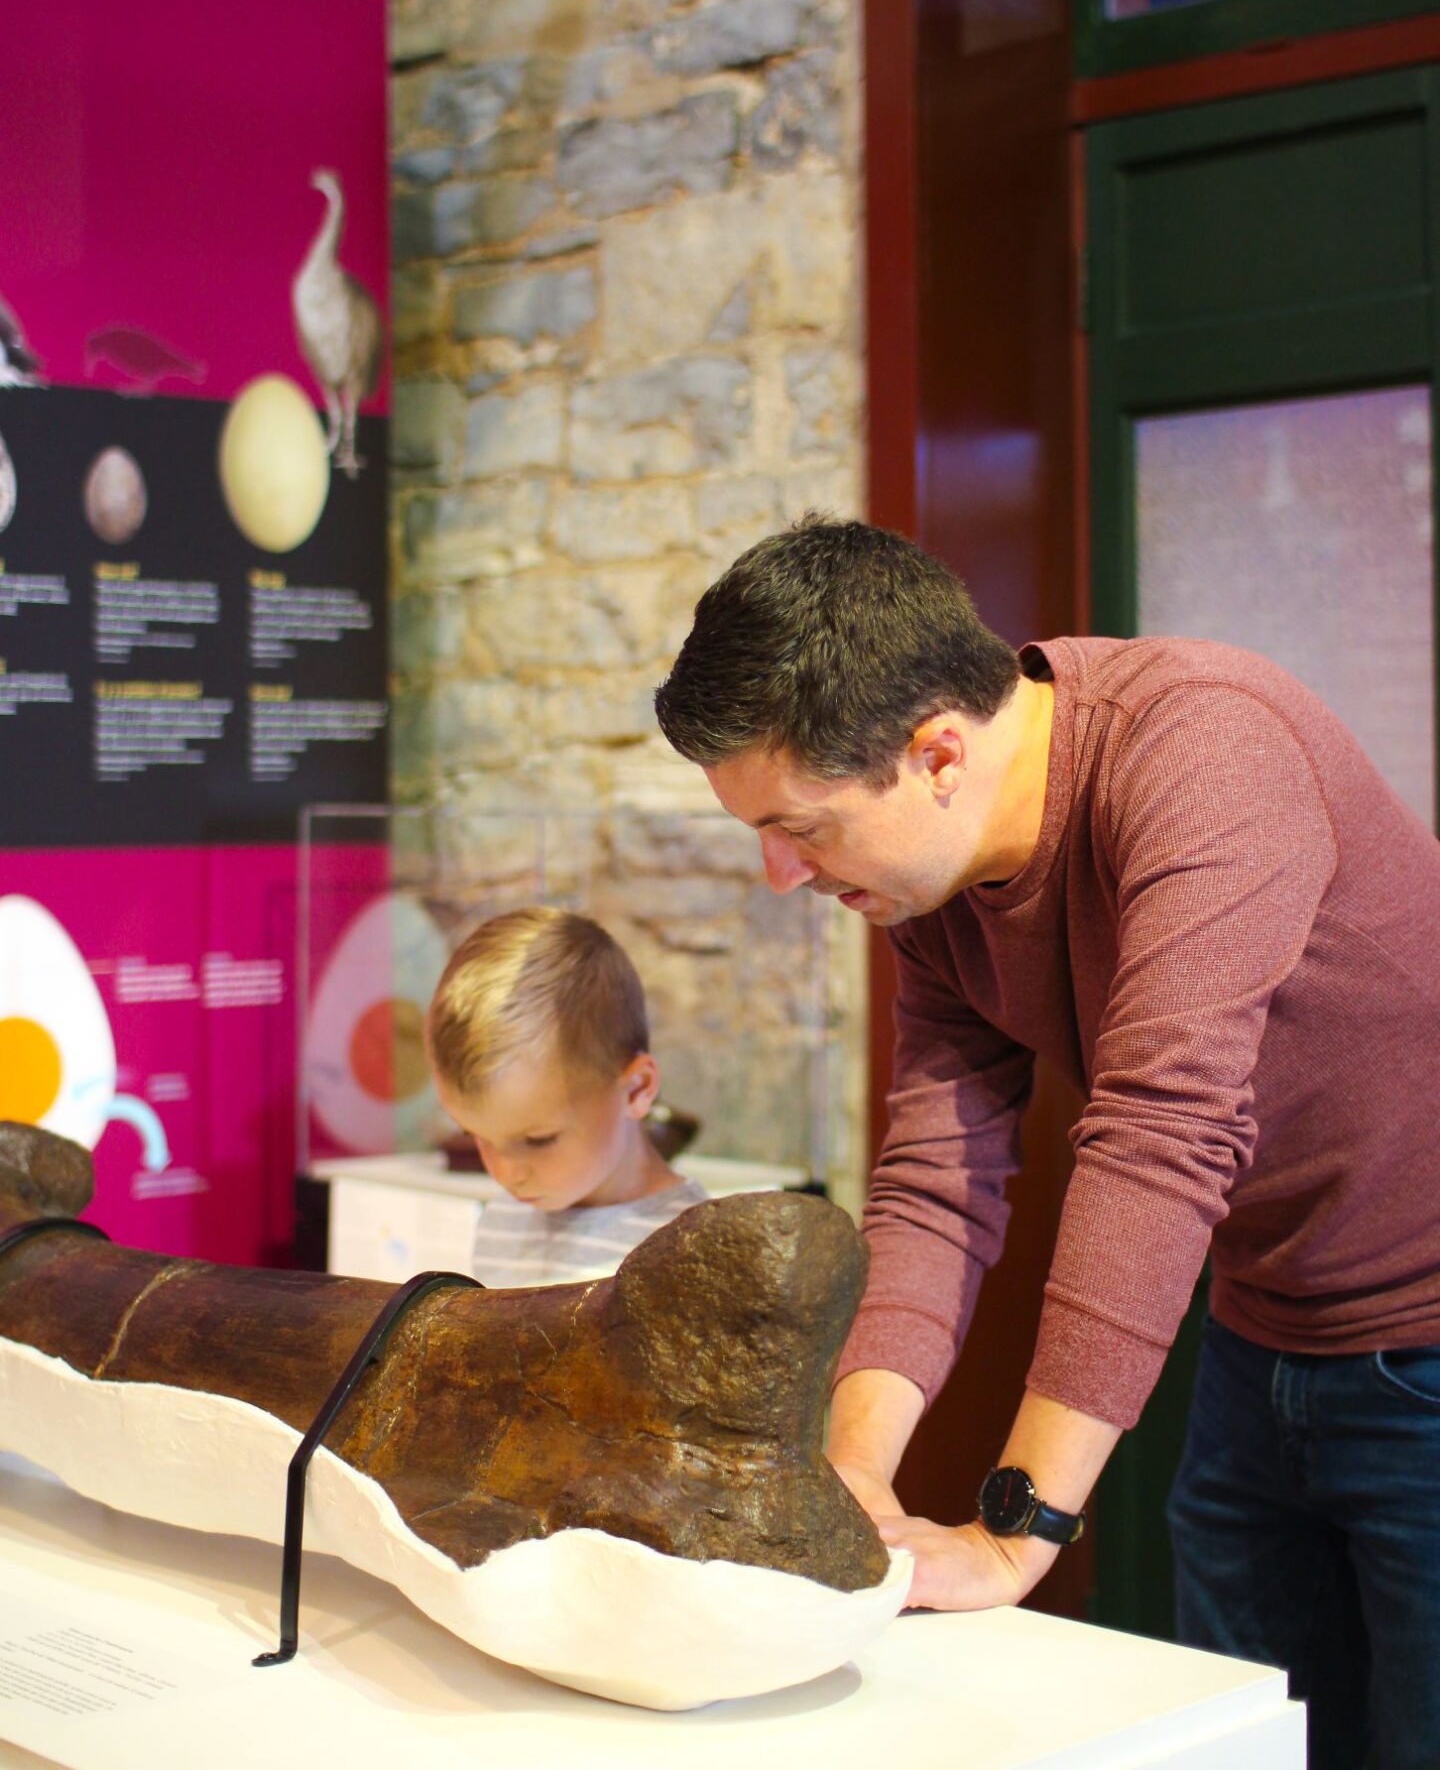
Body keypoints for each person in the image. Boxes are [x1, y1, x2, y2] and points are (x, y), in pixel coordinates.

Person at [653, 514, 1440, 1770]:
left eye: (801, 826)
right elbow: (936, 1182)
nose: (780, 874)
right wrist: (849, 1480)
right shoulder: (930, 887)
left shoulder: (1207, 749)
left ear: (937, 753)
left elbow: (1163, 1132)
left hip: (1426, 1338)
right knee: (1253, 1740)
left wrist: (1014, 1532)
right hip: (1260, 1333)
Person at [426, 907, 706, 1287]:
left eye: (539, 1140)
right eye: (476, 1136)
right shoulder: (501, 1222)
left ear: (637, 1089)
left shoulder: (692, 1248)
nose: (506, 1173)